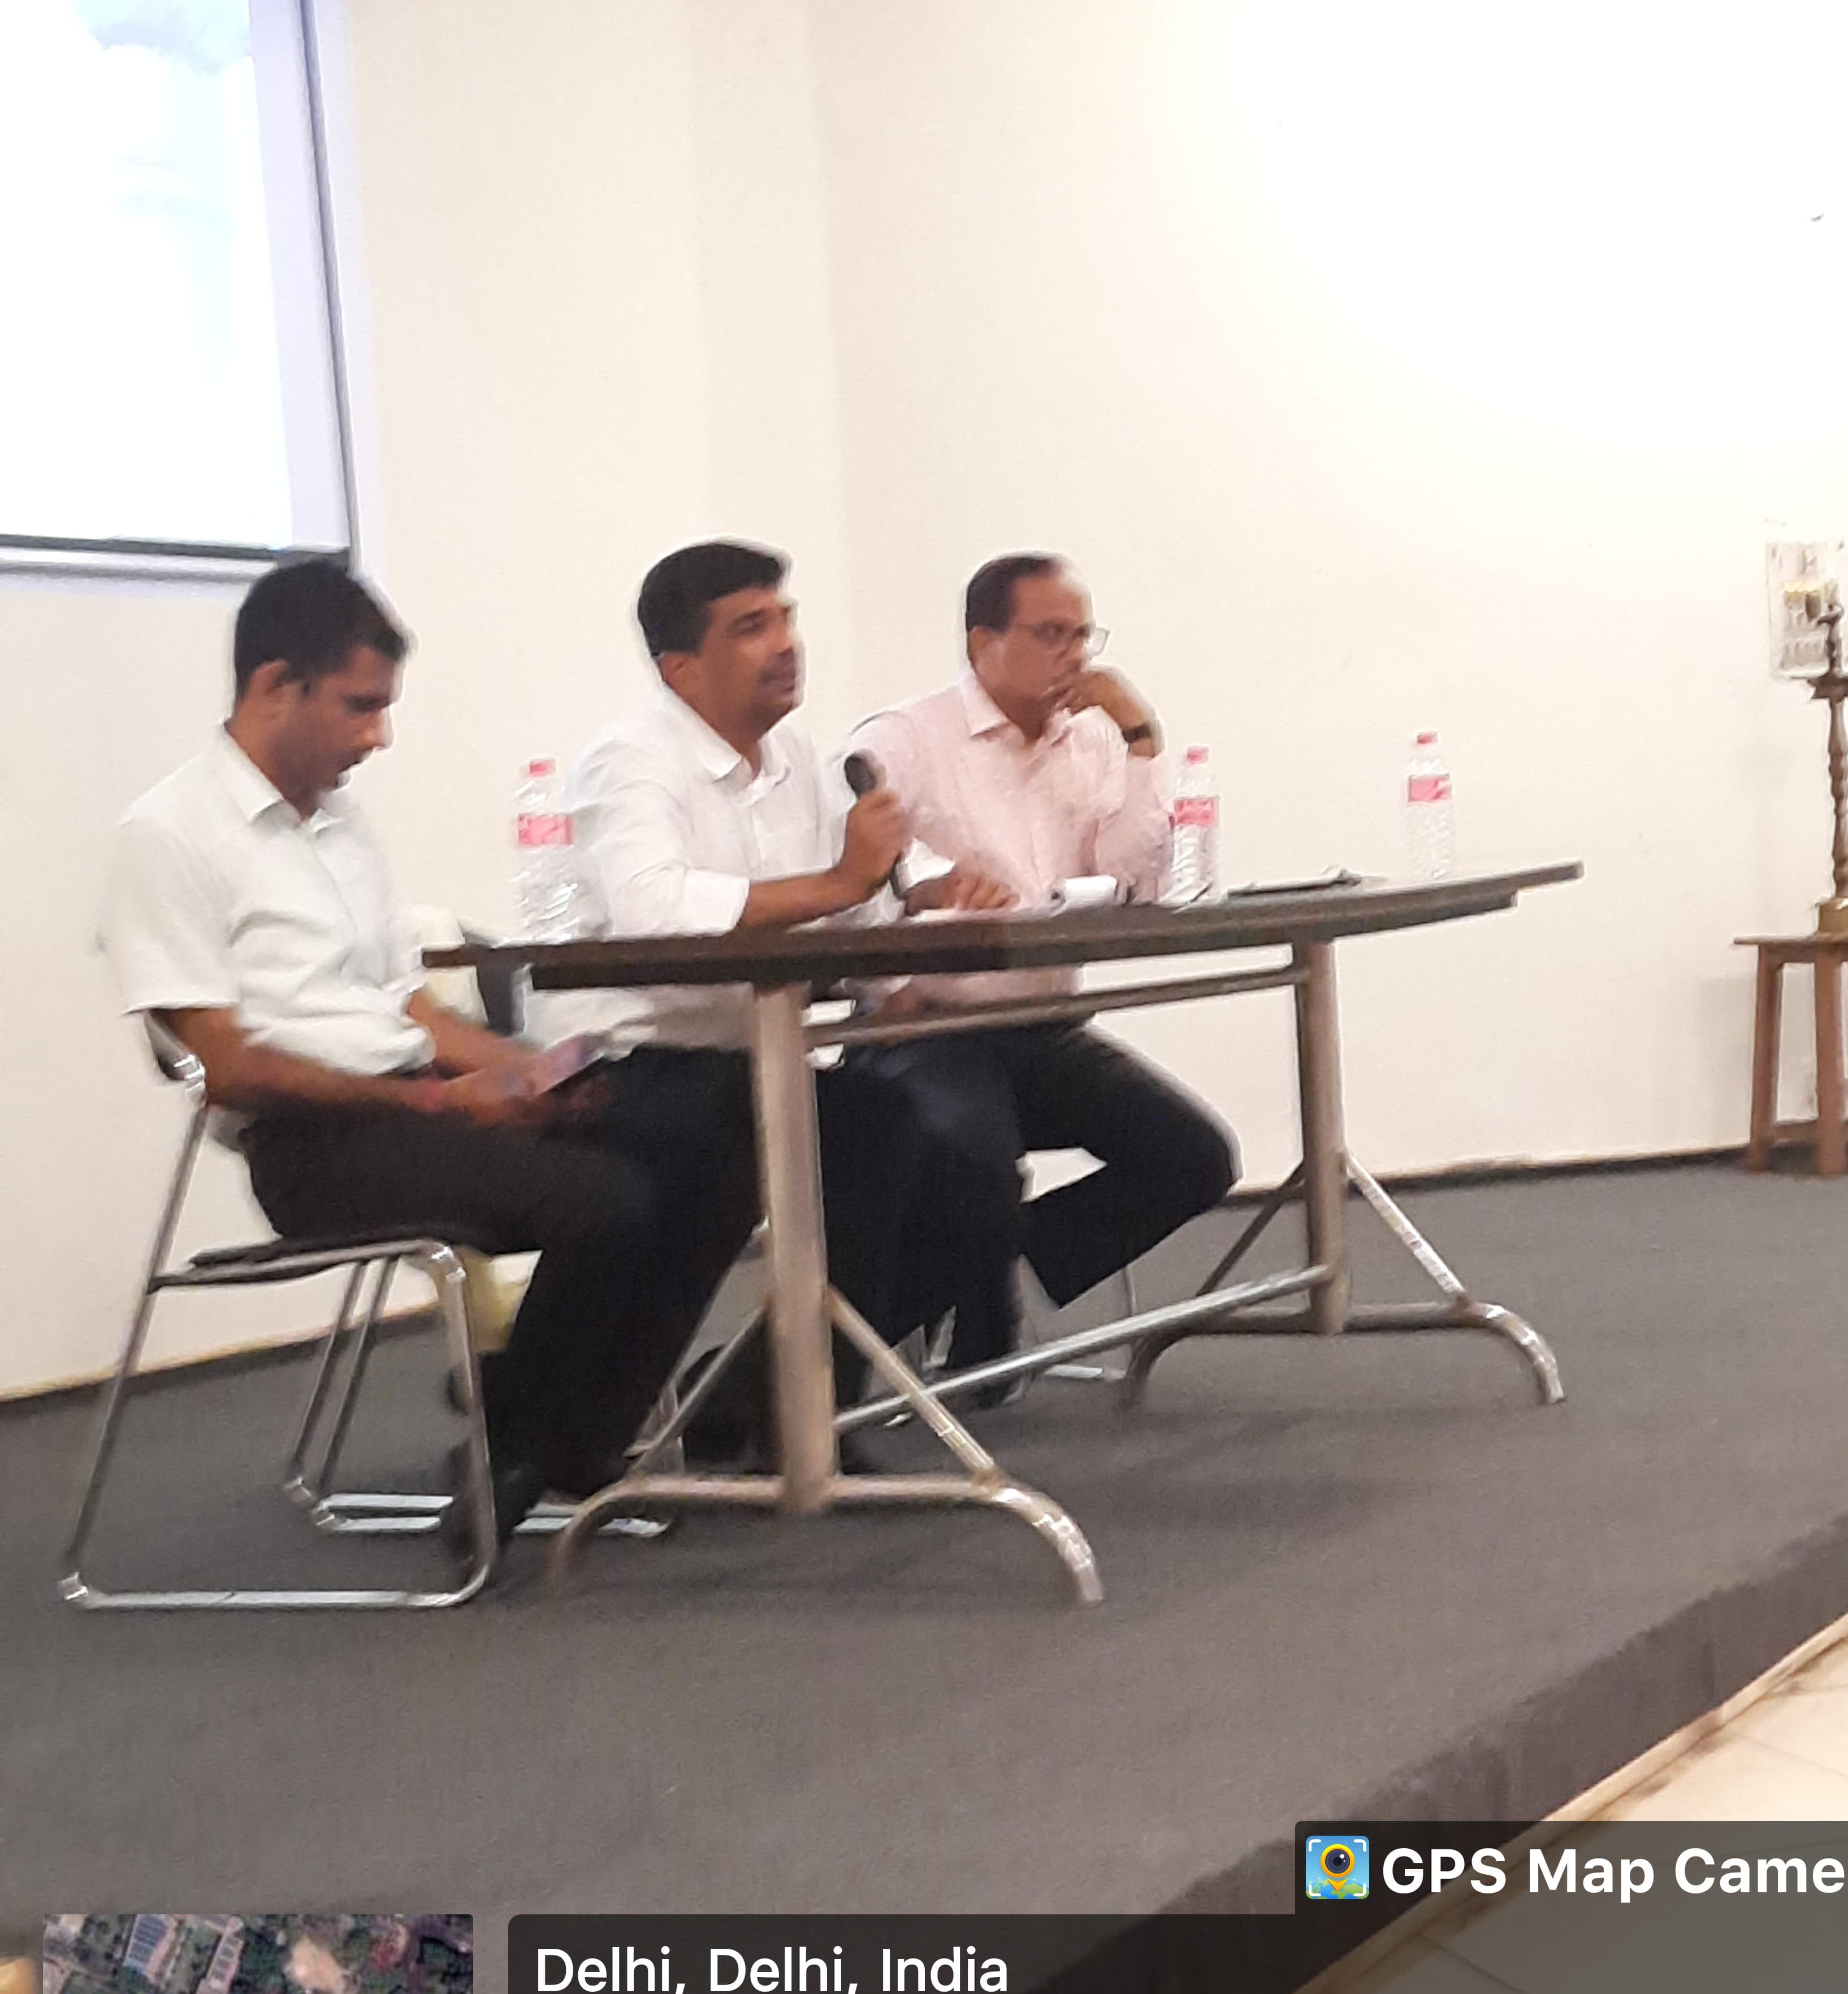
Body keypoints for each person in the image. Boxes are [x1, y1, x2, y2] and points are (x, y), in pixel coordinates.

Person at [98, 559, 751, 1546]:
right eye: (360, 707)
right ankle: (534, 1448)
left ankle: (551, 1438)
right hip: (314, 1146)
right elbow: (226, 1066)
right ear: (276, 686)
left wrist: (520, 1070)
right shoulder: (169, 835)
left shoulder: (342, 824)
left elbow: (405, 1005)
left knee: (715, 1148)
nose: (380, 737)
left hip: (413, 1109)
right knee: (606, 1197)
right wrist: (436, 1102)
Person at [555, 540, 999, 1454]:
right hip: (633, 1066)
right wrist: (845, 883)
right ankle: (566, 1415)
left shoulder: (796, 758)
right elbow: (653, 914)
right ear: (680, 667)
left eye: (787, 618)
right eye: (752, 627)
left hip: (752, 1057)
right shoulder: (630, 761)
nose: (787, 643)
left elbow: (840, 907)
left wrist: (907, 925)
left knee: (919, 1146)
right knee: (818, 1135)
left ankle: (783, 1411)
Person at [850, 552, 1239, 1373]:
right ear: (982, 643)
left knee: (1195, 1157)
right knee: (977, 1174)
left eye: (1083, 635)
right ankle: (807, 1370)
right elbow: (852, 873)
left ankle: (995, 1272)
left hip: (1042, 1026)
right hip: (931, 1029)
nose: (1074, 655)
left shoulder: (1091, 741)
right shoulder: (905, 739)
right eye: (1051, 634)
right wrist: (916, 915)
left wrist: (1142, 742)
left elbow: (1138, 881)